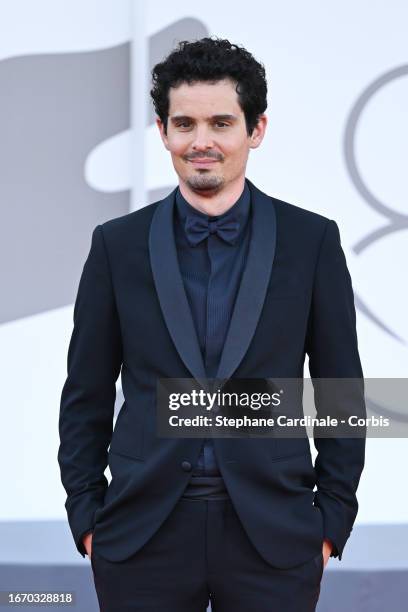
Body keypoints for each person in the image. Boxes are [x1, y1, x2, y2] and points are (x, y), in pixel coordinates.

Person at [58, 37, 366, 611]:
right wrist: (87, 516)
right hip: (141, 535)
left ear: (256, 130)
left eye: (221, 122)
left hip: (274, 536)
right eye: (185, 124)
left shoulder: (311, 242)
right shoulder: (116, 246)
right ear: (164, 132)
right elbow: (85, 394)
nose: (201, 142)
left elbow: (340, 391)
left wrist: (330, 522)